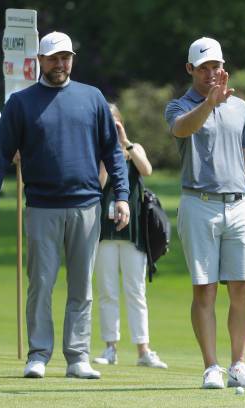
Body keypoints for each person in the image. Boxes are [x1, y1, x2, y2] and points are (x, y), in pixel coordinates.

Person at [0, 32, 129, 379]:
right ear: (39, 62)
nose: (60, 64)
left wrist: (120, 195)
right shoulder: (21, 102)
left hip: (87, 205)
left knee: (81, 286)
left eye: (66, 58)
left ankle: (77, 357)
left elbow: (113, 152)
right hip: (42, 206)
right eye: (53, 58)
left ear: (72, 59)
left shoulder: (92, 98)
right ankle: (39, 354)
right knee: (41, 283)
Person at [164, 37, 245, 389]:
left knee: (243, 288)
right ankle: (211, 367)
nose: (211, 72)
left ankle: (239, 364)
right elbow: (182, 129)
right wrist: (209, 103)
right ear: (190, 69)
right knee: (205, 290)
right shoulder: (178, 106)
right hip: (198, 204)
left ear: (223, 67)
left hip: (239, 205)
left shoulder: (240, 108)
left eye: (215, 66)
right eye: (203, 67)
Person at [93, 103, 167, 369]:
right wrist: (106, 154)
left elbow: (146, 170)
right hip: (105, 231)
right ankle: (110, 347)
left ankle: (143, 349)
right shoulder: (96, 152)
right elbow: (99, 185)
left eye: (115, 122)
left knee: (136, 291)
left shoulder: (134, 148)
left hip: (133, 230)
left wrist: (124, 143)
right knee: (107, 291)